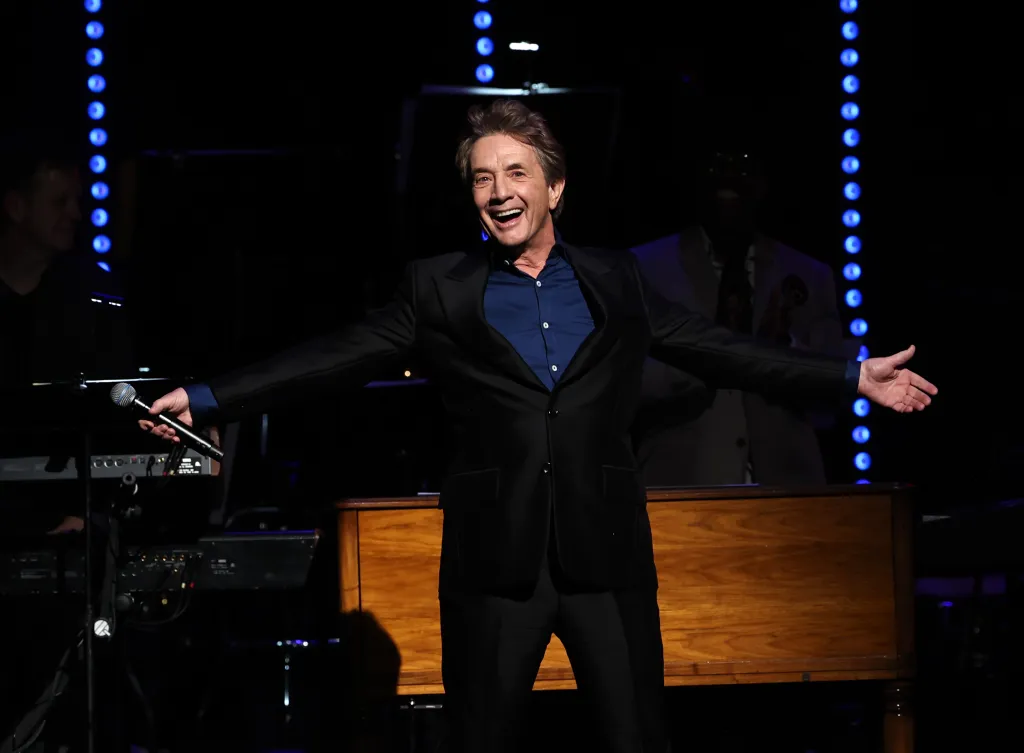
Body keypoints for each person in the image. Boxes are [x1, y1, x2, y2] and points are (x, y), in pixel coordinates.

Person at [139, 99, 937, 753]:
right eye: (483, 177)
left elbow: (721, 350)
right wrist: (207, 396)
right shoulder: (439, 290)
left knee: (635, 739)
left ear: (555, 189)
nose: (498, 190)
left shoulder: (616, 279)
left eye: (516, 172)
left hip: (607, 554)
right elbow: (331, 357)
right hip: (495, 562)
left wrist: (849, 375)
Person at [630, 146, 846, 486]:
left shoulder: (809, 275)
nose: (730, 177)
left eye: (744, 169)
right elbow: (625, 384)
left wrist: (782, 344)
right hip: (682, 489)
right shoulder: (644, 267)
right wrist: (705, 361)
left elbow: (831, 399)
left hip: (789, 492)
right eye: (718, 168)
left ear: (763, 186)